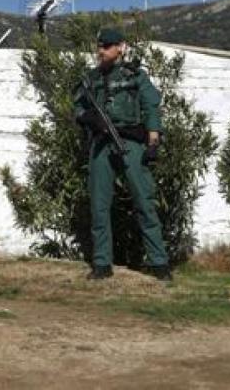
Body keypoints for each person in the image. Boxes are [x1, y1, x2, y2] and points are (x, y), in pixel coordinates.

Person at [75, 28, 171, 281]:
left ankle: (159, 264)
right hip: (101, 144)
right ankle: (102, 264)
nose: (101, 51)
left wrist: (152, 143)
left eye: (107, 46)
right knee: (99, 205)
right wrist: (89, 118)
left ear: (121, 47)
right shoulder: (91, 78)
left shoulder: (135, 76)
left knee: (144, 202)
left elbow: (151, 106)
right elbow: (78, 108)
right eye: (99, 46)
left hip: (130, 142)